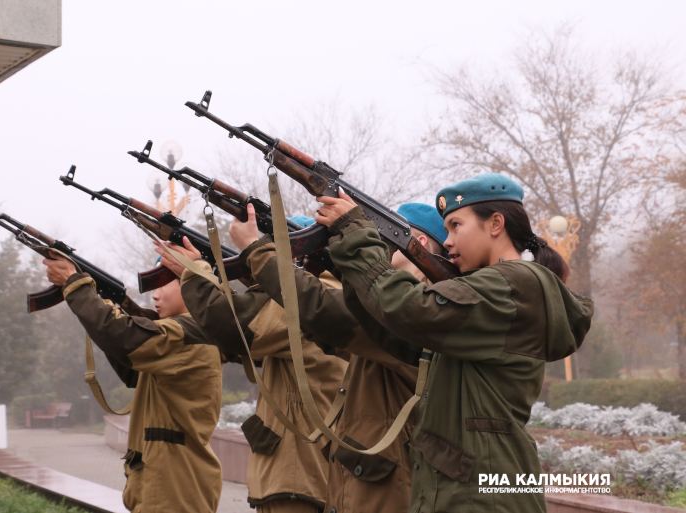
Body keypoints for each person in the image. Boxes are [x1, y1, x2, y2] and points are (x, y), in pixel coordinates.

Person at [314, 174, 594, 513]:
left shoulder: (513, 285)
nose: (446, 241)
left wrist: (358, 237)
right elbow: (403, 335)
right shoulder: (497, 287)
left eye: (455, 225)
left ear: (495, 224)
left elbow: (409, 310)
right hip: (465, 493)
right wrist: (355, 269)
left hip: (482, 498)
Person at [226, 203, 447, 513]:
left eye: (381, 235)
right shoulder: (399, 305)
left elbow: (320, 309)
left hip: (386, 490)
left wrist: (256, 252)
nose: (374, 243)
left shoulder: (418, 312)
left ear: (419, 243)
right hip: (361, 485)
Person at [155, 234, 348, 513]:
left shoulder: (315, 300)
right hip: (296, 476)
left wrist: (195, 271)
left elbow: (232, 326)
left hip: (299, 478)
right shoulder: (326, 297)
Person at [43, 254, 224, 513]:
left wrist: (76, 284)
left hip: (175, 487)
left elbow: (123, 338)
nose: (155, 295)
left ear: (192, 284)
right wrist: (105, 305)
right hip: (169, 483)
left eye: (163, 285)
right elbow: (131, 367)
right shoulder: (184, 335)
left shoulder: (187, 333)